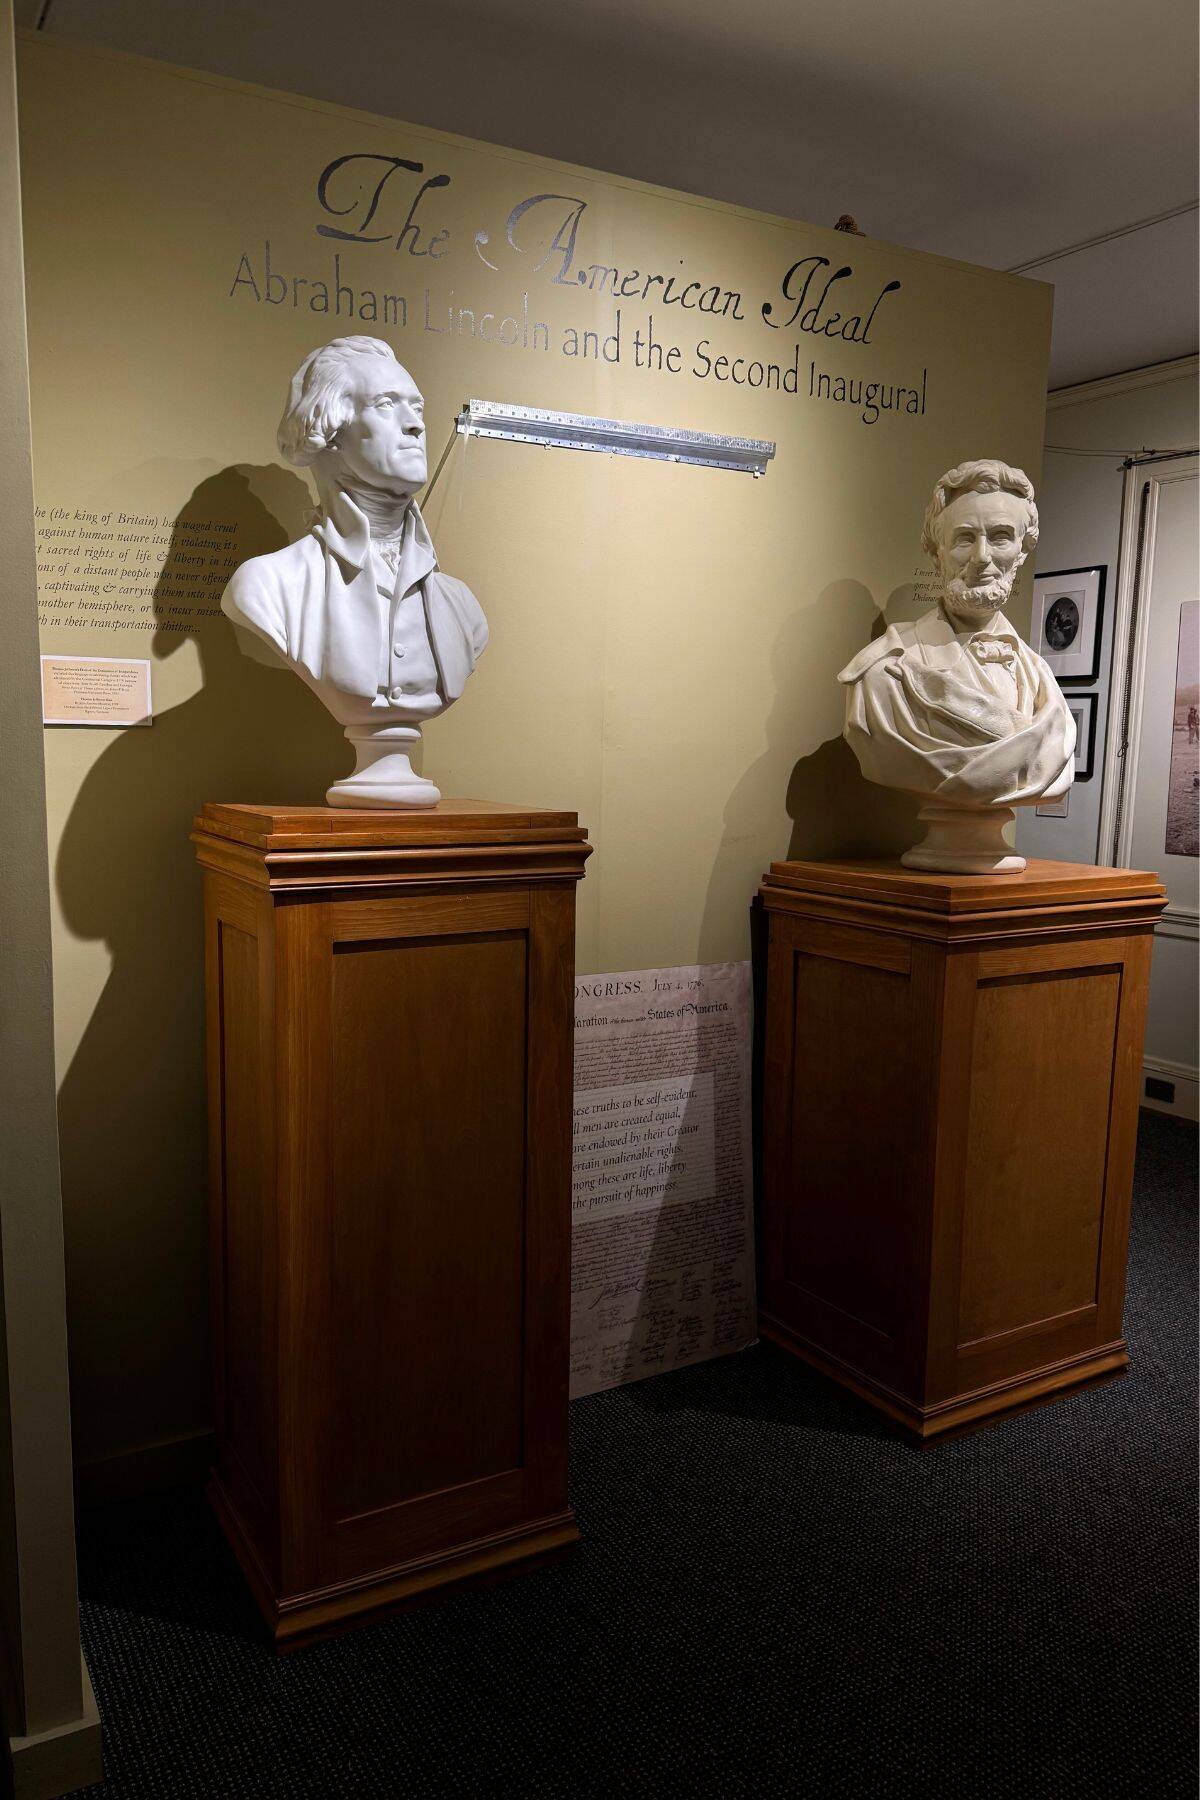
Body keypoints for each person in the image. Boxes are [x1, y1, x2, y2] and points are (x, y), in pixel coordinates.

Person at [223, 335, 487, 806]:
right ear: (328, 431)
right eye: (387, 404)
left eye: (418, 407)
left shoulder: (462, 607)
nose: (415, 426)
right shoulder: (267, 587)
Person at [839, 459, 1075, 871]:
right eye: (965, 539)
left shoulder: (1040, 678)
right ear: (937, 551)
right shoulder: (882, 675)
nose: (983, 558)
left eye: (1001, 538)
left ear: (1022, 551)